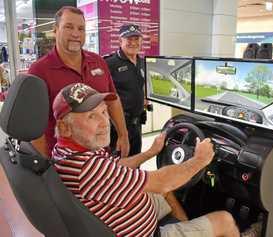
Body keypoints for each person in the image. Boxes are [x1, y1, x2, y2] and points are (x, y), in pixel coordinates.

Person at [52, 82, 261, 237]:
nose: (105, 123)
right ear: (64, 127)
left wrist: (151, 153)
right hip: (144, 233)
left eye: (104, 112)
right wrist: (199, 160)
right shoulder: (88, 168)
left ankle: (185, 225)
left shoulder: (66, 152)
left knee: (164, 189)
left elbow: (116, 167)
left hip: (125, 215)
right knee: (224, 219)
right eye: (91, 116)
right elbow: (161, 182)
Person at [28, 6, 129, 158]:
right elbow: (35, 128)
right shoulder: (39, 70)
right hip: (63, 162)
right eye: (69, 27)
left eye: (81, 29)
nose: (76, 34)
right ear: (55, 30)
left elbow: (113, 101)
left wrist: (123, 134)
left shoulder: (98, 62)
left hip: (100, 156)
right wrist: (44, 168)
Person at [104, 23, 147, 156]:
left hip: (137, 124)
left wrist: (142, 99)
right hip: (117, 126)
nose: (133, 43)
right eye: (129, 39)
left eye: (136, 39)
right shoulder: (109, 63)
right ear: (120, 40)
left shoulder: (142, 62)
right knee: (119, 164)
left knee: (135, 160)